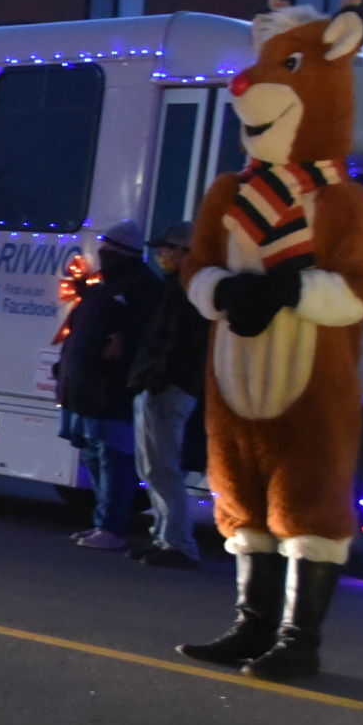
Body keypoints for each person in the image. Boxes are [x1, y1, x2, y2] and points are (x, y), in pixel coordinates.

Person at [177, 0, 363, 681]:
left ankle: (299, 637)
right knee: (238, 490)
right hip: (233, 371)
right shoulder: (229, 193)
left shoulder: (341, 200)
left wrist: (292, 289)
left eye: (286, 67)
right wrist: (220, 291)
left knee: (309, 492)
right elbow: (195, 266)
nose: (249, 85)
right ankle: (249, 624)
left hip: (310, 379)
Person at [56, 219, 162, 550]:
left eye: (109, 247)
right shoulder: (103, 288)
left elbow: (147, 335)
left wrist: (122, 344)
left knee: (112, 457)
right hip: (86, 388)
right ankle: (102, 521)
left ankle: (112, 526)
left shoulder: (142, 288)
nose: (103, 253)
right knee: (92, 454)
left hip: (111, 390)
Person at [124, 221, 208, 569]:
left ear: (186, 252)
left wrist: (157, 379)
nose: (162, 255)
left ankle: (178, 543)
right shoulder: (179, 288)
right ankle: (163, 537)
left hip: (168, 388)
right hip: (161, 385)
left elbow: (176, 345)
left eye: (168, 249)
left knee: (162, 467)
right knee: (153, 467)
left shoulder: (189, 291)